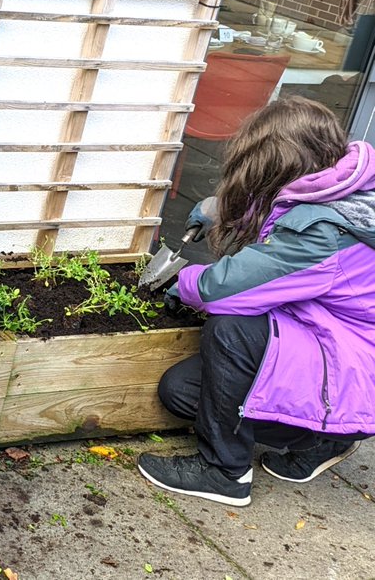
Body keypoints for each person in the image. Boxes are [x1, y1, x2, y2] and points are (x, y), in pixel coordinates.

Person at [138, 96, 375, 507]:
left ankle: (225, 472)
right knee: (181, 392)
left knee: (232, 327)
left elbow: (226, 290)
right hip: (328, 342)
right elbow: (287, 215)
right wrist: (228, 208)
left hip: (352, 363)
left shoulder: (322, 234)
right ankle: (329, 436)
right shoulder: (346, 183)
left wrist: (183, 281)